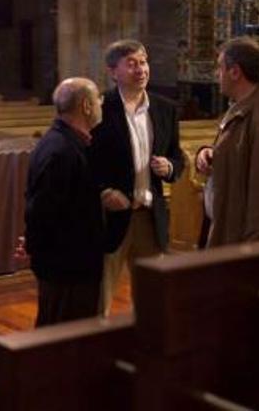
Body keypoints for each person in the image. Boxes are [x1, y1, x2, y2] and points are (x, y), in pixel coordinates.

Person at [89, 39, 184, 315]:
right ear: (112, 71)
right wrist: (103, 191)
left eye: (143, 62)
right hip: (112, 217)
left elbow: (177, 155)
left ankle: (148, 350)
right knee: (99, 297)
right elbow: (85, 161)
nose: (140, 69)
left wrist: (170, 167)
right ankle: (97, 352)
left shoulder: (165, 109)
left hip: (149, 217)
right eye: (131, 64)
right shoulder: (100, 108)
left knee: (153, 297)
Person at [195, 37, 259, 247]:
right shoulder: (241, 106)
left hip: (243, 242)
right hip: (226, 228)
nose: (217, 74)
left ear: (235, 72)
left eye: (220, 68)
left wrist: (252, 249)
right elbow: (239, 155)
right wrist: (210, 153)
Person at [23, 77, 106, 327]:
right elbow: (42, 210)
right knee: (63, 334)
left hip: (68, 264)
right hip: (68, 267)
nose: (102, 103)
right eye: (98, 99)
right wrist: (34, 244)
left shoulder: (66, 142)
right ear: (86, 106)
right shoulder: (61, 150)